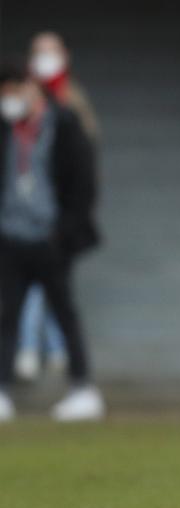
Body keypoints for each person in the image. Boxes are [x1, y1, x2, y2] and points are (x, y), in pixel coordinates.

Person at [0, 63, 102, 422]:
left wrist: (65, 234)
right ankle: (2, 390)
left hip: (50, 239)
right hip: (11, 238)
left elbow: (82, 183)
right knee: (7, 314)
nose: (9, 99)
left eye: (13, 90)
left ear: (31, 87)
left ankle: (83, 388)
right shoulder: (7, 129)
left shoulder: (64, 123)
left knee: (64, 313)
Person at [15, 31, 100, 382]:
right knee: (29, 289)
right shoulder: (20, 99)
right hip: (20, 218)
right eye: (39, 52)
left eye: (52, 52)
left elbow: (85, 160)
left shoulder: (73, 102)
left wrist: (73, 218)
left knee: (55, 288)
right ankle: (33, 348)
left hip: (59, 219)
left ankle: (52, 348)